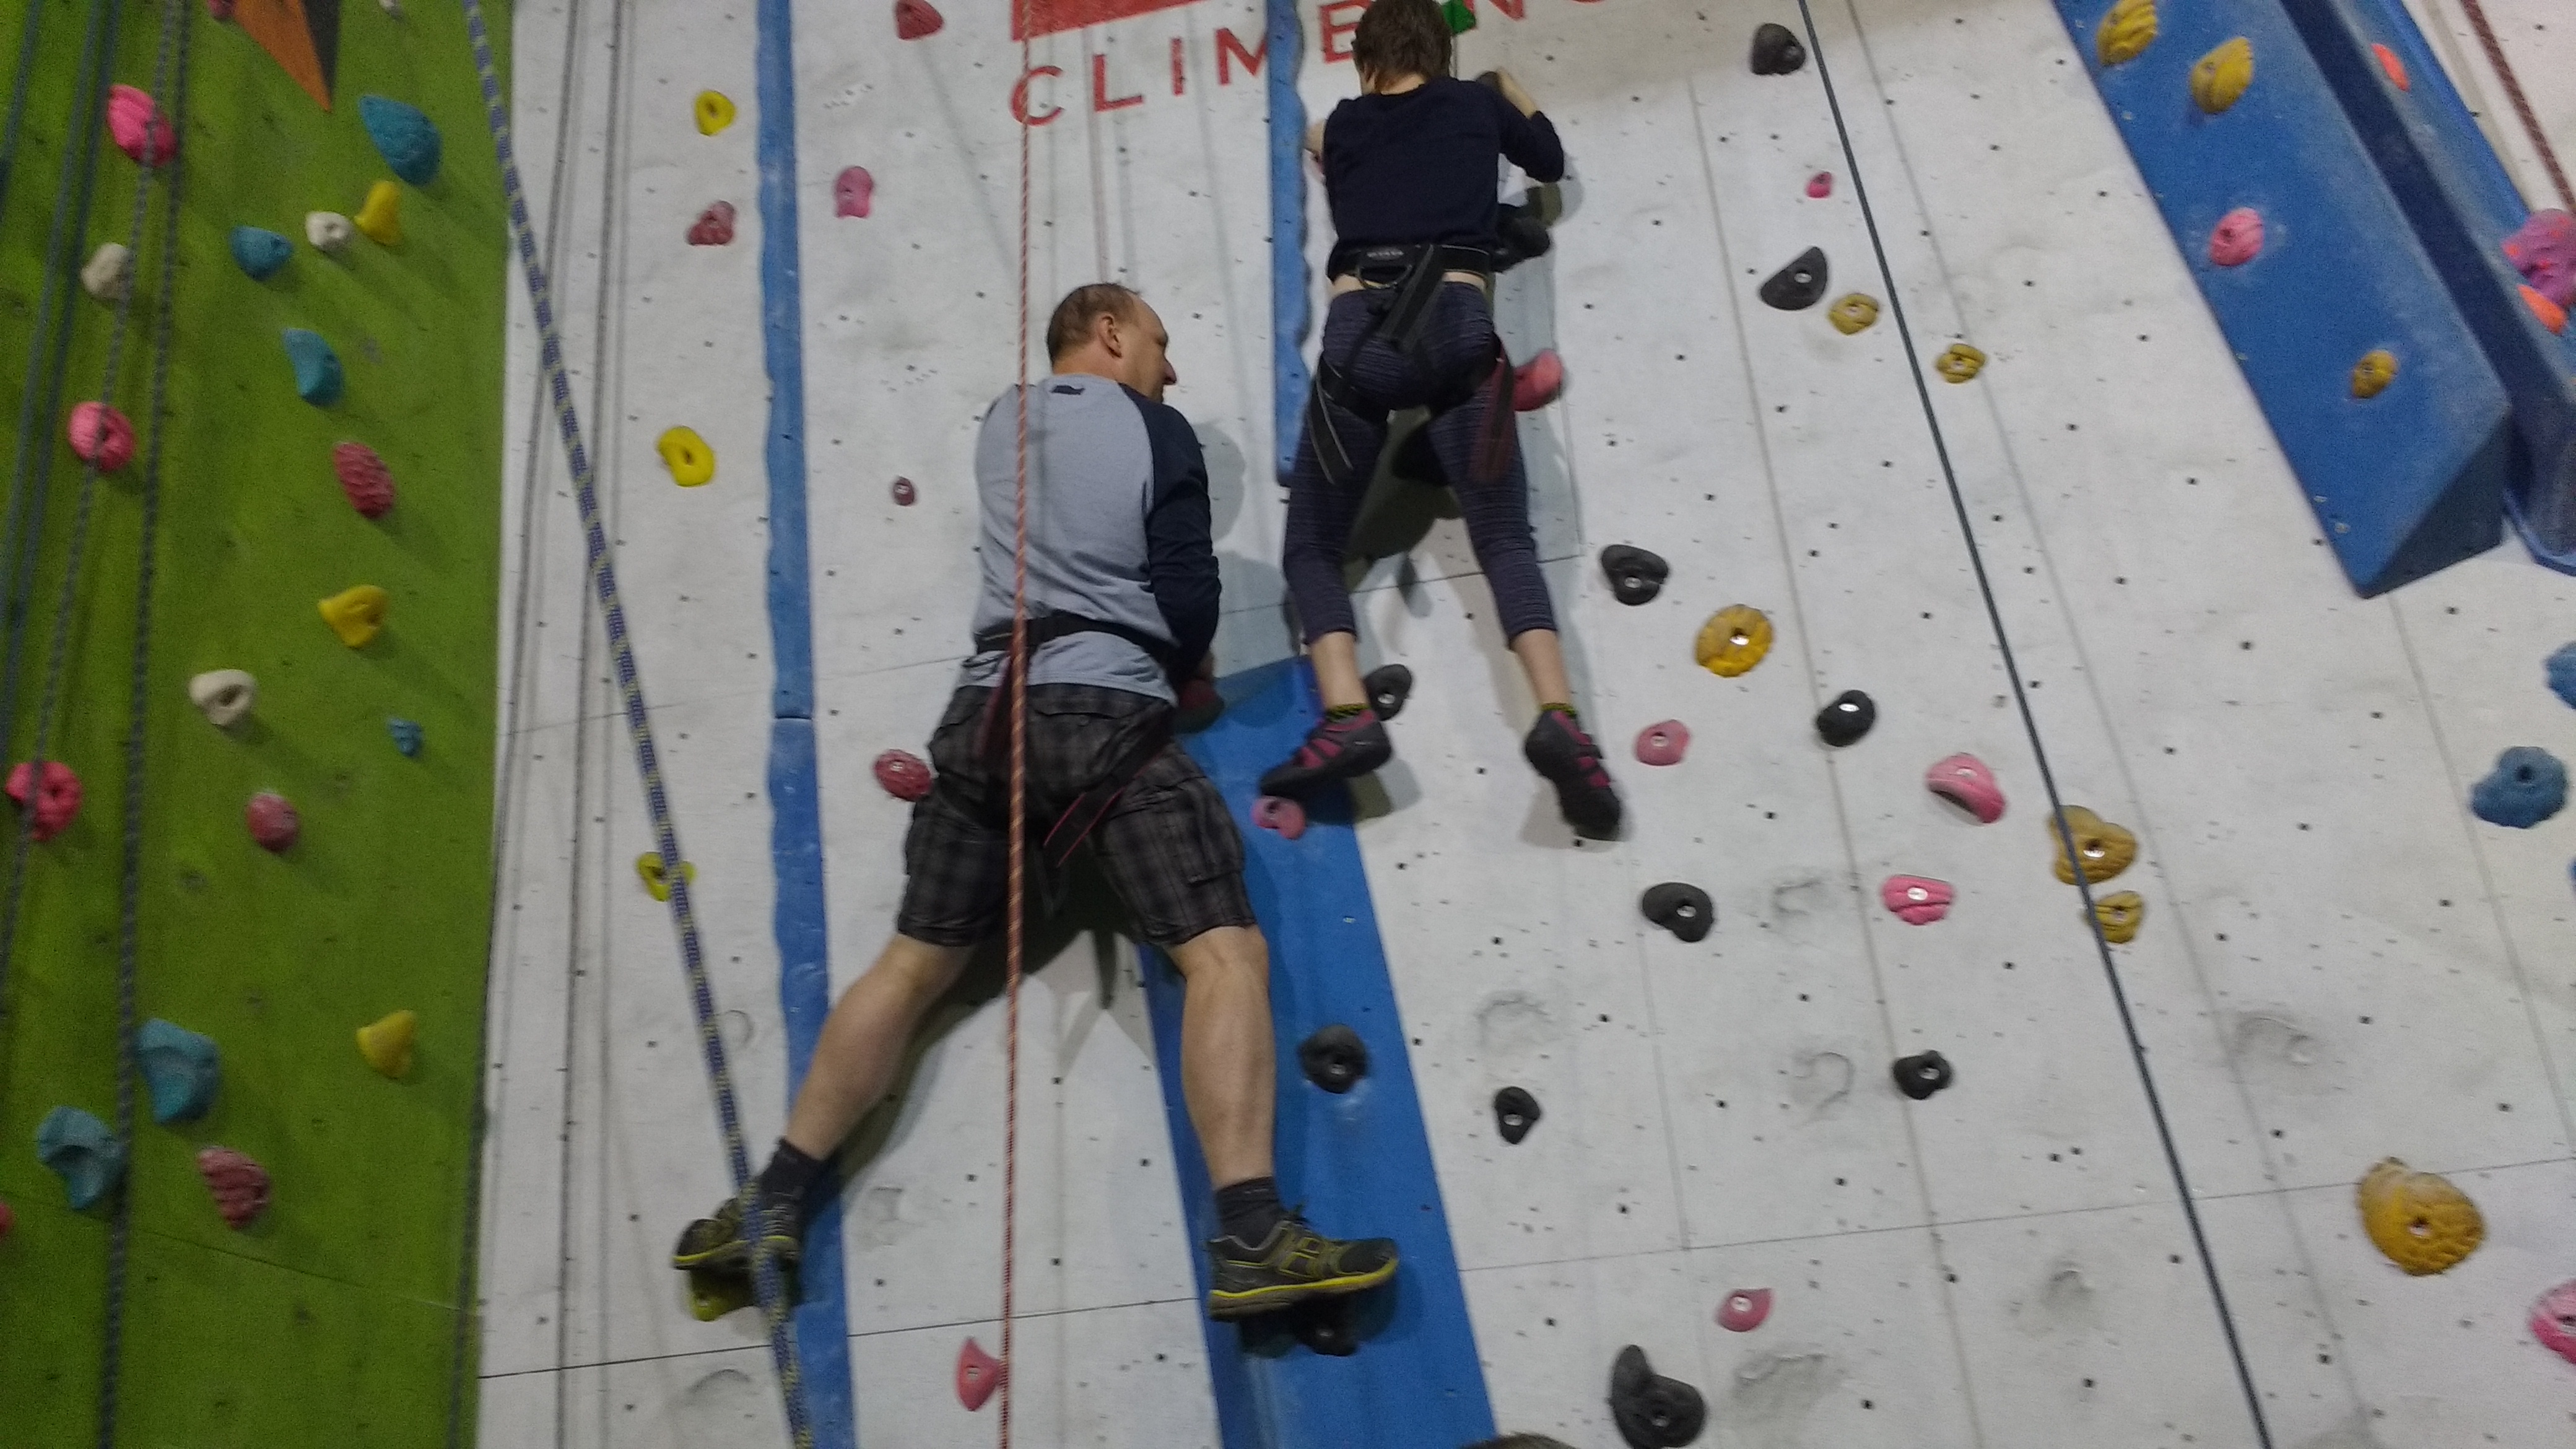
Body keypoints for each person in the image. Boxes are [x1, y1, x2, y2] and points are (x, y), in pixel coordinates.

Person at [671, 284, 1399, 1321]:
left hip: (982, 717)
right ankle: (1249, 1234)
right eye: (1159, 341)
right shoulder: (1156, 430)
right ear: (1109, 332)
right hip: (1101, 714)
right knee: (1225, 956)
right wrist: (1177, 658)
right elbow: (1188, 601)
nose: (1169, 368)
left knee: (912, 965)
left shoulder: (1001, 421)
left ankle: (771, 1198)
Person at [1262, 0, 1621, 838]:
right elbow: (1549, 162)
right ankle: (1560, 717)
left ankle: (1347, 715)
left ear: (1365, 62)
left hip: (1363, 332)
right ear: (1442, 56)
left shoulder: (1344, 125)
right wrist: (1502, 86)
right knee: (1506, 543)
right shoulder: (1476, 104)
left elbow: (1313, 138)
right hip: (1459, 324)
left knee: (1312, 547)